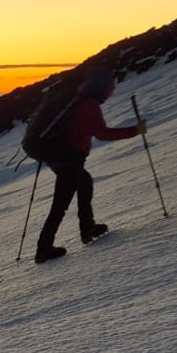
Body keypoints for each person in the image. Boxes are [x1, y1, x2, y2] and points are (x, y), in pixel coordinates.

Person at [33, 71, 146, 264]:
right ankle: (44, 248)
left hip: (60, 156)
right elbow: (102, 133)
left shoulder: (77, 101)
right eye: (110, 89)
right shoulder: (88, 104)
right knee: (61, 202)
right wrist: (134, 131)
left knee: (84, 182)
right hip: (69, 158)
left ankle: (87, 227)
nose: (110, 94)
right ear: (101, 88)